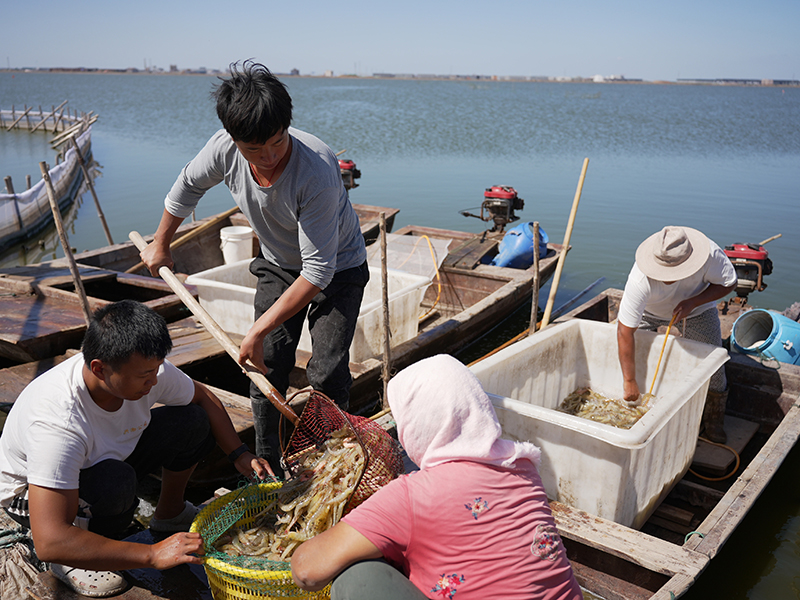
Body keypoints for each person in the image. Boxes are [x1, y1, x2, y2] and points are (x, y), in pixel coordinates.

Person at [140, 60, 369, 473]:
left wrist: (257, 329)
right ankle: (267, 466)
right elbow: (186, 188)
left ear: (287, 127)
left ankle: (333, 464)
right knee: (264, 370)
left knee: (326, 372)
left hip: (339, 269)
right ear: (234, 139)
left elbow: (318, 272)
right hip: (280, 263)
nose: (268, 156)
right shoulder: (223, 149)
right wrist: (161, 243)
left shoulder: (316, 169)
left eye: (277, 142)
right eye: (254, 149)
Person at [0, 300, 271, 597]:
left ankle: (170, 512)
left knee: (193, 420)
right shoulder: (57, 421)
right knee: (115, 483)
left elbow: (203, 398)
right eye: (145, 375)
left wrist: (239, 454)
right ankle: (76, 558)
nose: (154, 381)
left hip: (105, 457)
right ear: (99, 369)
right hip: (30, 494)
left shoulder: (144, 370)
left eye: (156, 370)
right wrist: (152, 555)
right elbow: (49, 538)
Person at [291, 354, 583, 600]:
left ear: (418, 427)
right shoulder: (522, 465)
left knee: (356, 579)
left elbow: (306, 571)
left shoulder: (411, 495)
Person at [617, 226, 737, 442]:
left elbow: (729, 283)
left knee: (714, 363)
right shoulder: (639, 280)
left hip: (697, 309)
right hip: (649, 311)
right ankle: (637, 407)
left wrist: (693, 302)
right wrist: (629, 381)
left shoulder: (710, 254)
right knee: (628, 358)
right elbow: (624, 331)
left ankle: (713, 419)